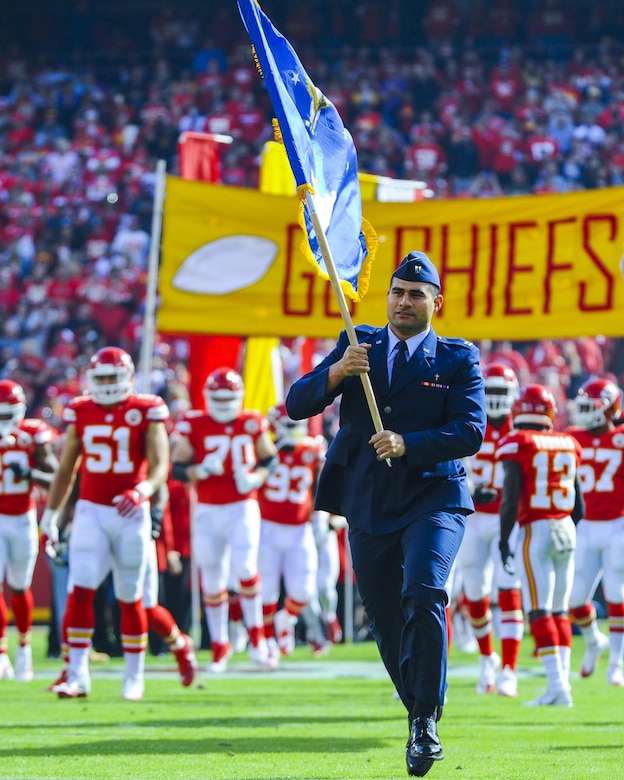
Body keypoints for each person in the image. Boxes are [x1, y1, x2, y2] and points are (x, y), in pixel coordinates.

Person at [286, 251, 486, 778]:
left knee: (423, 593)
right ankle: (418, 705)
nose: (403, 301)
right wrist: (335, 373)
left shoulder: (457, 357)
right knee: (385, 617)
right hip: (368, 500)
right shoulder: (358, 343)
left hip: (434, 496)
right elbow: (296, 404)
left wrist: (408, 443)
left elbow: (471, 431)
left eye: (415, 294)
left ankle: (424, 721)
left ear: (436, 302)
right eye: (397, 291)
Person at [40, 346, 170, 700]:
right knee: (79, 589)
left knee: (130, 596)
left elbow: (161, 464)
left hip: (131, 511)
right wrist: (50, 517)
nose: (109, 384)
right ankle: (78, 674)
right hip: (91, 510)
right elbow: (66, 470)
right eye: (102, 378)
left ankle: (133, 676)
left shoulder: (146, 409)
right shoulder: (81, 410)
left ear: (128, 378)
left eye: (115, 377)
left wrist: (142, 490)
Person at [170, 366, 278, 672]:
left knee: (245, 568)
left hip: (242, 506)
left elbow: (269, 459)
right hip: (207, 508)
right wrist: (198, 470)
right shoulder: (196, 424)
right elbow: (177, 467)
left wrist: (256, 477)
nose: (222, 403)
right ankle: (220, 645)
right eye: (216, 397)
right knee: (213, 577)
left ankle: (257, 639)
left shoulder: (251, 422)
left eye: (227, 397)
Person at [497, 383, 584, 707]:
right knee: (559, 610)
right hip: (566, 525)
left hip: (537, 528)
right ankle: (561, 685)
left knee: (538, 609)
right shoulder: (568, 442)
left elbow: (510, 499)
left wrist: (505, 539)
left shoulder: (517, 442)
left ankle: (558, 686)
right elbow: (581, 505)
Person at [458, 363, 525, 696]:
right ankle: (487, 659)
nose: (496, 399)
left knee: (509, 589)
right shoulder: (470, 422)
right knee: (475, 594)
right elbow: (454, 463)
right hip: (473, 518)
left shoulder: (522, 429)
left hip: (507, 521)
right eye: (491, 391)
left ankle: (510, 668)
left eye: (502, 392)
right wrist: (470, 487)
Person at [257, 403, 325, 665]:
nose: (295, 432)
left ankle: (286, 617)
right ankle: (268, 643)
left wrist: (320, 515)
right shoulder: (264, 451)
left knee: (305, 590)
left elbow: (320, 484)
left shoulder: (312, 450)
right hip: (268, 527)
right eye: (289, 426)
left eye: (298, 425)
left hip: (300, 528)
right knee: (266, 592)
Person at [567, 377, 624, 685]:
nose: (586, 413)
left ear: (610, 409)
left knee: (617, 593)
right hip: (586, 525)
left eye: (592, 407)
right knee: (575, 599)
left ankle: (616, 663)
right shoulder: (572, 437)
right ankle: (593, 640)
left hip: (618, 523)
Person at [0, 379, 58, 681]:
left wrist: (31, 473)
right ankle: (1, 654)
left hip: (23, 517)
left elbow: (57, 478)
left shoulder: (33, 434)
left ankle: (23, 651)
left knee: (20, 585)